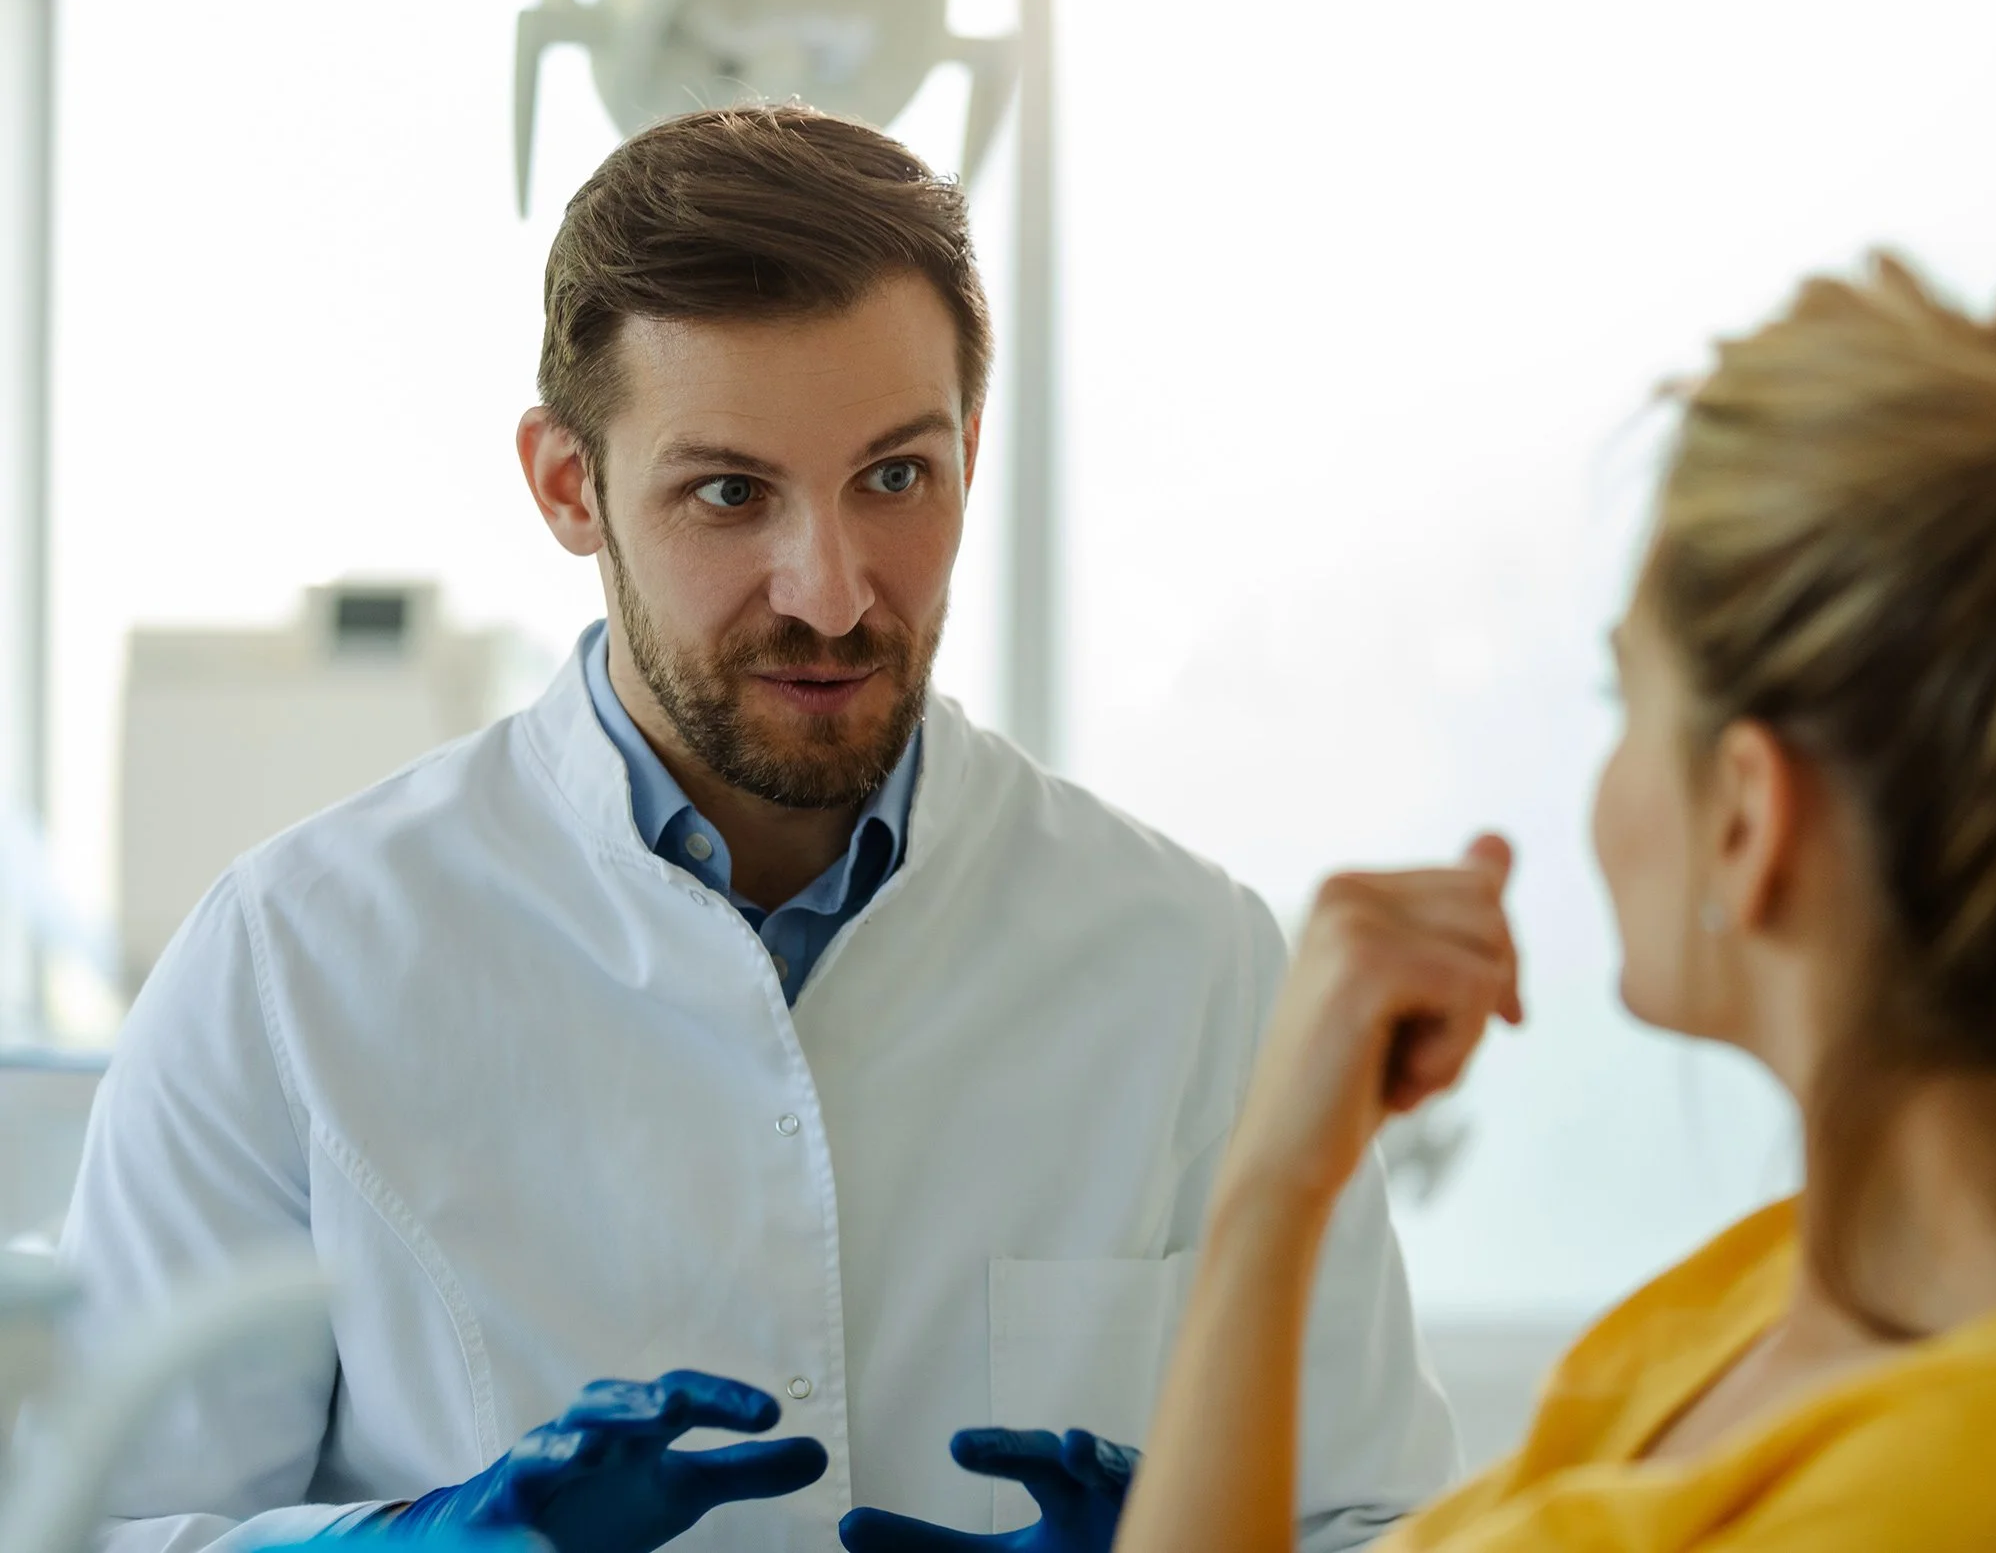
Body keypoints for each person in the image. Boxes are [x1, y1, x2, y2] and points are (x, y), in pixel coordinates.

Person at [55, 105, 1458, 1553]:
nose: (834, 590)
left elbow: (1377, 1516)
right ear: (565, 484)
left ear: (972, 449)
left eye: (894, 476)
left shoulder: (1197, 960)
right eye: (731, 492)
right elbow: (84, 1524)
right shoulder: (289, 961)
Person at [1102, 258, 1996, 1552]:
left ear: (1744, 815)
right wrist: (1274, 1189)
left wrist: (1268, 1194)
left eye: (1628, 704)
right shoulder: (1778, 1294)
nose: (1602, 791)